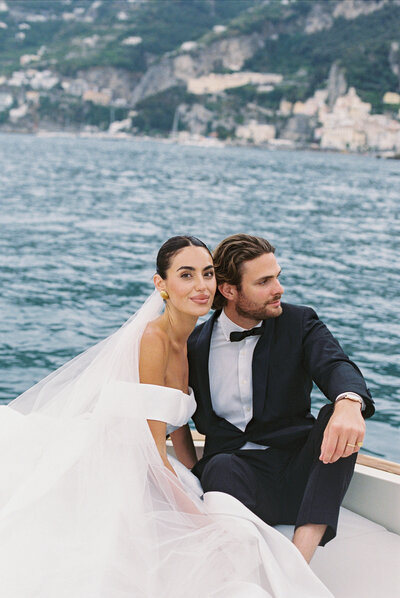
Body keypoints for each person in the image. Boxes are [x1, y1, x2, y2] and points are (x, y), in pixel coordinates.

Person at [0, 235, 333, 597]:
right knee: (205, 549)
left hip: (154, 463)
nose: (201, 286)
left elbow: (178, 427)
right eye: (186, 275)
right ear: (162, 284)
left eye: (207, 274)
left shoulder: (190, 342)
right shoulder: (152, 341)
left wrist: (194, 473)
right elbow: (153, 448)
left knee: (237, 541)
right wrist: (195, 512)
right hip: (124, 468)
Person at [188, 233, 374, 563]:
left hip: (299, 472)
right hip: (238, 477)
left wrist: (349, 403)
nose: (279, 289)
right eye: (264, 281)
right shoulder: (195, 345)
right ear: (230, 291)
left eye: (277, 276)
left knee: (339, 416)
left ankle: (298, 562)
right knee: (218, 466)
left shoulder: (299, 322)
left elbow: (335, 364)